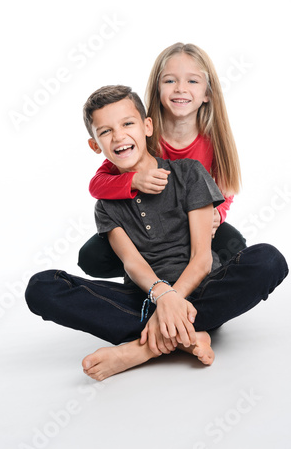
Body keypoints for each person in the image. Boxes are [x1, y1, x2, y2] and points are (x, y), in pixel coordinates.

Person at [25, 85, 288, 382]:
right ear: (95, 145)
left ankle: (142, 350)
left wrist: (175, 302)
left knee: (268, 260)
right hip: (147, 298)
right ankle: (185, 336)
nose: (119, 136)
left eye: (127, 124)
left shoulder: (188, 173)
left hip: (202, 289)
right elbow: (132, 263)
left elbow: (202, 259)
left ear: (147, 126)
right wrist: (163, 298)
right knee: (42, 287)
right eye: (106, 131)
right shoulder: (106, 206)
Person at [78, 43, 246, 279]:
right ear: (157, 89)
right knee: (92, 256)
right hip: (147, 229)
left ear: (208, 93)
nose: (180, 89)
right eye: (169, 81)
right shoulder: (143, 136)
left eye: (192, 81)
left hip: (192, 224)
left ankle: (200, 285)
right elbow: (97, 185)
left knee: (235, 246)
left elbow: (226, 189)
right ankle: (151, 273)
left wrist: (219, 213)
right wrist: (135, 180)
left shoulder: (215, 141)